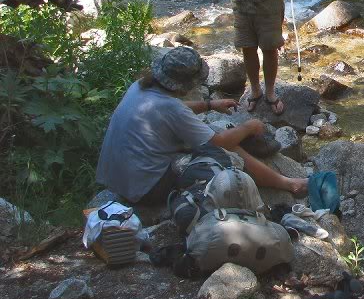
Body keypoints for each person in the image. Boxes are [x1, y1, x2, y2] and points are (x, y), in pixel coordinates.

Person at [96, 46, 307, 205]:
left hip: (118, 181)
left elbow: (172, 109)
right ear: (186, 84)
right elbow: (220, 143)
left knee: (206, 140)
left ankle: (282, 179)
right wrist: (250, 127)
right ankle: (288, 184)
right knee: (227, 151)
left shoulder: (140, 87)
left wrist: (209, 105)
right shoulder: (172, 109)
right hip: (146, 191)